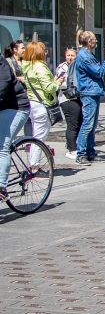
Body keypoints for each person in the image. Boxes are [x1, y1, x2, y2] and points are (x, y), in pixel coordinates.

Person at [73, 31, 105, 164]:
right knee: (87, 124)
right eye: (94, 39)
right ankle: (81, 154)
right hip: (89, 92)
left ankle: (90, 152)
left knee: (91, 125)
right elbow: (98, 72)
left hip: (92, 92)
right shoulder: (85, 56)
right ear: (89, 42)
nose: (96, 41)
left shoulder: (87, 54)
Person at [20, 42, 62, 168]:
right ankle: (35, 166)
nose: (46, 53)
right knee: (39, 138)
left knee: (36, 135)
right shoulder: (40, 67)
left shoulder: (27, 66)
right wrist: (58, 82)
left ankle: (34, 165)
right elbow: (48, 87)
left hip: (32, 102)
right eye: (44, 50)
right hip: (42, 104)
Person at [0, 53, 30, 202]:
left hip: (16, 108)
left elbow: (1, 88)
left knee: (1, 146)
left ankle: (1, 188)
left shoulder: (2, 65)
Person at [55, 47, 81, 159]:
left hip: (76, 98)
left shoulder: (77, 66)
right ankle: (72, 150)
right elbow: (59, 82)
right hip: (67, 99)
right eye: (68, 55)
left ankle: (72, 144)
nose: (70, 57)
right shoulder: (62, 68)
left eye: (72, 55)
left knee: (78, 123)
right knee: (72, 124)